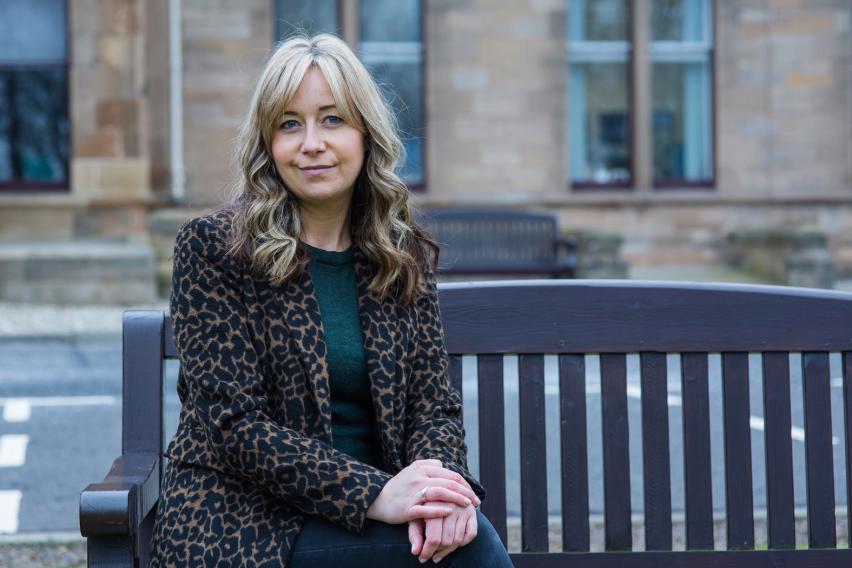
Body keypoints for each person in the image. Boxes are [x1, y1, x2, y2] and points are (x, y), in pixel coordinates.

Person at [148, 33, 513, 567]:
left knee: (460, 535)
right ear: (267, 145)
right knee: (468, 553)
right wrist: (373, 494)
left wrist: (444, 492)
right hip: (245, 522)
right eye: (290, 124)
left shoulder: (398, 252)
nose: (311, 143)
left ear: (366, 134)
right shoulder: (214, 248)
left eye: (332, 119)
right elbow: (234, 427)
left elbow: (433, 406)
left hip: (381, 515)